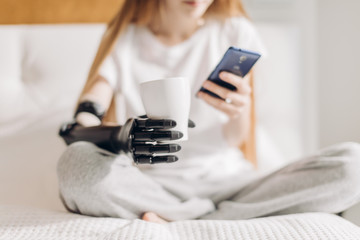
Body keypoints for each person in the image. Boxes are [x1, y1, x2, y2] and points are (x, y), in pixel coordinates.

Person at [57, 0, 360, 223]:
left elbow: (235, 138)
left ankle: (186, 220)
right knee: (75, 165)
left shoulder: (233, 30)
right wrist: (120, 135)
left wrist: (240, 110)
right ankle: (224, 219)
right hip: (153, 186)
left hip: (232, 184)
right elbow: (85, 115)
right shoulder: (127, 39)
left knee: (353, 166)